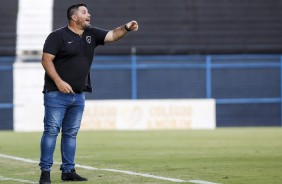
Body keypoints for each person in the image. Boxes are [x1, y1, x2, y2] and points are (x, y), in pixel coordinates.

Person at [39, 3, 138, 184]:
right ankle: (45, 173)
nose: (89, 14)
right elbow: (46, 60)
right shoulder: (57, 36)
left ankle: (68, 171)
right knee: (51, 132)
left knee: (71, 134)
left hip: (78, 95)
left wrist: (126, 27)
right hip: (55, 94)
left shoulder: (91, 33)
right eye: (84, 12)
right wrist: (59, 82)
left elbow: (113, 35)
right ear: (74, 17)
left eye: (88, 12)